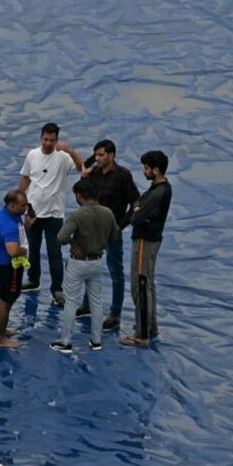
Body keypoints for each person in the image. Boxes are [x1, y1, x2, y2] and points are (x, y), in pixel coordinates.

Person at [73, 139, 140, 331]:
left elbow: (136, 201)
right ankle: (86, 305)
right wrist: (84, 177)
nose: (97, 158)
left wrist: (122, 225)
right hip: (92, 228)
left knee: (115, 271)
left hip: (111, 230)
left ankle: (115, 314)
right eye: (96, 155)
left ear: (111, 155)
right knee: (88, 266)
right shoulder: (93, 173)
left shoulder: (123, 175)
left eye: (101, 155)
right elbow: (81, 198)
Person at [50, 180, 120, 354]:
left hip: (78, 262)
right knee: (96, 303)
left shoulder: (78, 215)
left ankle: (65, 341)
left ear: (79, 196)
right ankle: (96, 341)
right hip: (96, 262)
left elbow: (60, 237)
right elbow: (115, 236)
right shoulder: (108, 213)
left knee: (71, 302)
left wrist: (73, 242)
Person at [17, 122, 84, 306]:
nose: (48, 143)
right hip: (33, 212)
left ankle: (57, 289)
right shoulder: (32, 155)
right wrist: (17, 198)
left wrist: (69, 150)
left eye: (52, 140)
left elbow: (81, 167)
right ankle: (33, 280)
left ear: (57, 140)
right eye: (45, 139)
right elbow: (25, 178)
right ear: (41, 138)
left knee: (54, 253)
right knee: (33, 249)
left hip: (54, 215)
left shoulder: (63, 157)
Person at [119, 150, 173, 348]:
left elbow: (136, 217)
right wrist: (138, 209)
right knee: (148, 285)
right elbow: (137, 207)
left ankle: (142, 334)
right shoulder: (158, 188)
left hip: (145, 241)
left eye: (146, 168)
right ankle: (151, 327)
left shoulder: (158, 192)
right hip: (150, 239)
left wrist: (137, 211)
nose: (144, 171)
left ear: (156, 170)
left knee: (140, 285)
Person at [0, 189, 31, 348]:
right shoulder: (8, 225)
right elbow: (13, 250)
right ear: (12, 206)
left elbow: (19, 232)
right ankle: (0, 337)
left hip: (5, 264)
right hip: (8, 267)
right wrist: (26, 249)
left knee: (9, 298)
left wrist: (28, 224)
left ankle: (1, 330)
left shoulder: (7, 215)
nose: (26, 208)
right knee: (6, 301)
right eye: (23, 205)